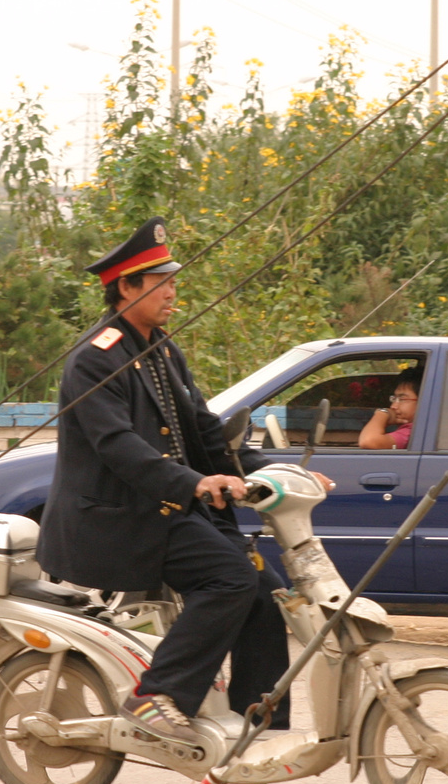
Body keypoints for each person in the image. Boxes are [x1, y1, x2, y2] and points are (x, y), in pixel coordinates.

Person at [36, 217, 329, 745]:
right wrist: (192, 484)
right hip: (119, 521)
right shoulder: (95, 360)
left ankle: (255, 726)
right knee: (230, 579)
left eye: (173, 279)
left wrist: (279, 474)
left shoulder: (162, 349)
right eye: (160, 281)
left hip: (166, 514)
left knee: (265, 590)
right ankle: (157, 696)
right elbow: (118, 445)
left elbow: (206, 434)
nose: (173, 291)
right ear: (125, 287)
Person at [358, 367, 421, 449]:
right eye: (394, 399)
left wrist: (383, 413)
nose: (393, 406)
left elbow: (369, 441)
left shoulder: (411, 432)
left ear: (423, 401)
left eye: (402, 399)